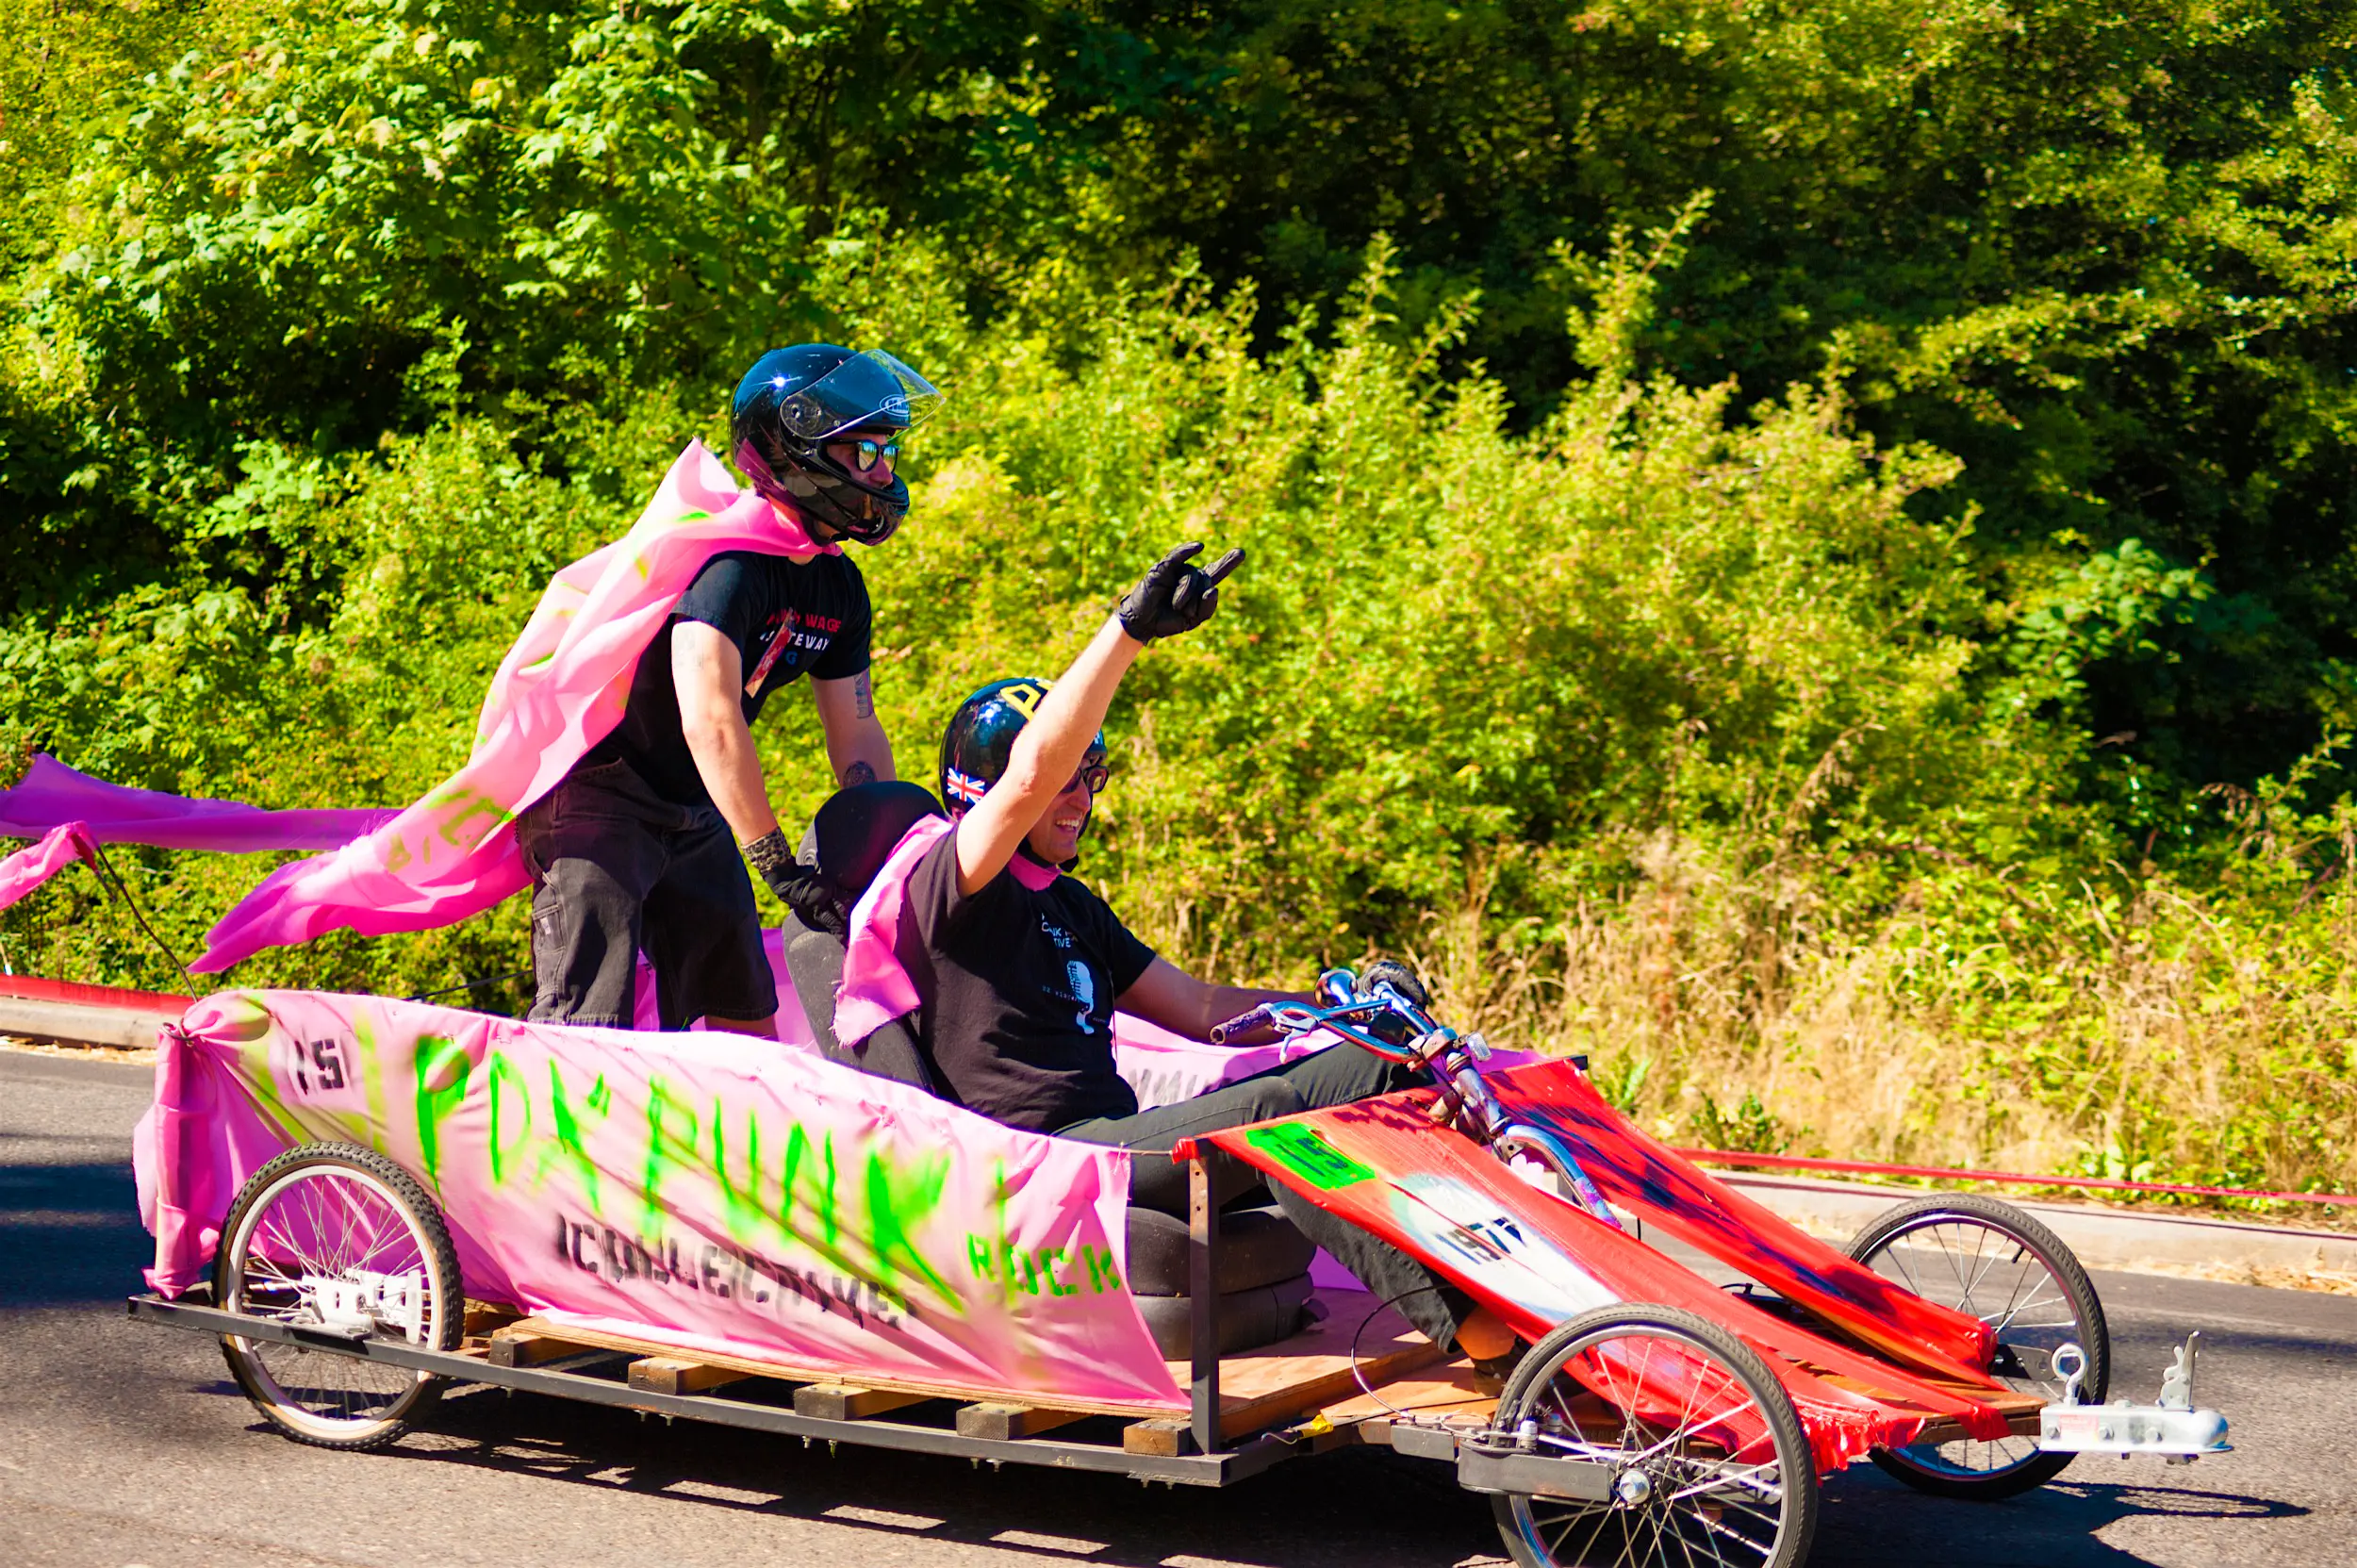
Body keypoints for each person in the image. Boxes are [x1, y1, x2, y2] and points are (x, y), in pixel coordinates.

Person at [888, 541, 1517, 1366]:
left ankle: (1522, 1290)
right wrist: (1127, 632)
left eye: (1092, 778)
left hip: (1121, 1139)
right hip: (1052, 1164)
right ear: (991, 789)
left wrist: (1352, 1013)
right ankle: (1487, 1343)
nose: (1079, 799)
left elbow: (1205, 1010)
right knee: (1281, 1118)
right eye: (1063, 783)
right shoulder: (951, 888)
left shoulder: (1073, 906)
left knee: (1379, 1071)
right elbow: (1028, 774)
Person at [515, 343, 938, 1035]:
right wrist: (775, 860)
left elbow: (856, 731)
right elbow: (709, 717)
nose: (885, 472)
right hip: (600, 793)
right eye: (866, 453)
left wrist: (893, 860)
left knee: (745, 1014)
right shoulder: (729, 566)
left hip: (690, 805)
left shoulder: (838, 584)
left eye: (887, 451)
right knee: (589, 1026)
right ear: (799, 453)